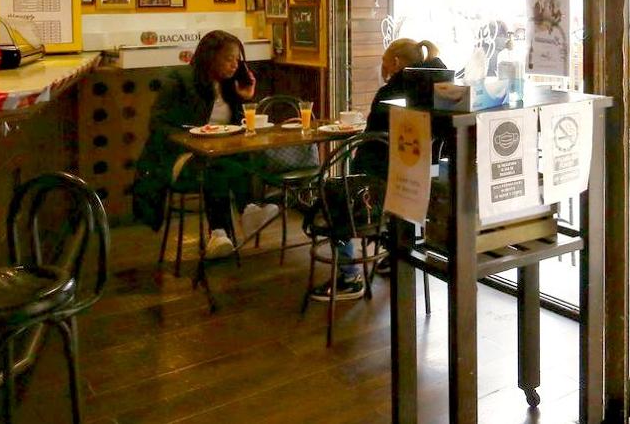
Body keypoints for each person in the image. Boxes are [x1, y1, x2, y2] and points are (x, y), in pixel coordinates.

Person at [308, 38, 447, 301]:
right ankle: (394, 253)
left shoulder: (389, 93)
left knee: (333, 196)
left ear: (395, 62)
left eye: (384, 62)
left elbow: (373, 141)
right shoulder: (439, 86)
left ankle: (349, 276)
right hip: (418, 188)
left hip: (378, 189)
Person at [133, 30, 276, 259]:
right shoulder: (180, 81)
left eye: (238, 60)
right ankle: (227, 227)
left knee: (244, 156)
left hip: (221, 154)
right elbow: (158, 125)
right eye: (229, 59)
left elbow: (238, 127)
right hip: (181, 157)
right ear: (210, 57)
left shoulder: (230, 86)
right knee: (215, 164)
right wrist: (191, 136)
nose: (234, 65)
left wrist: (245, 97)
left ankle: (236, 221)